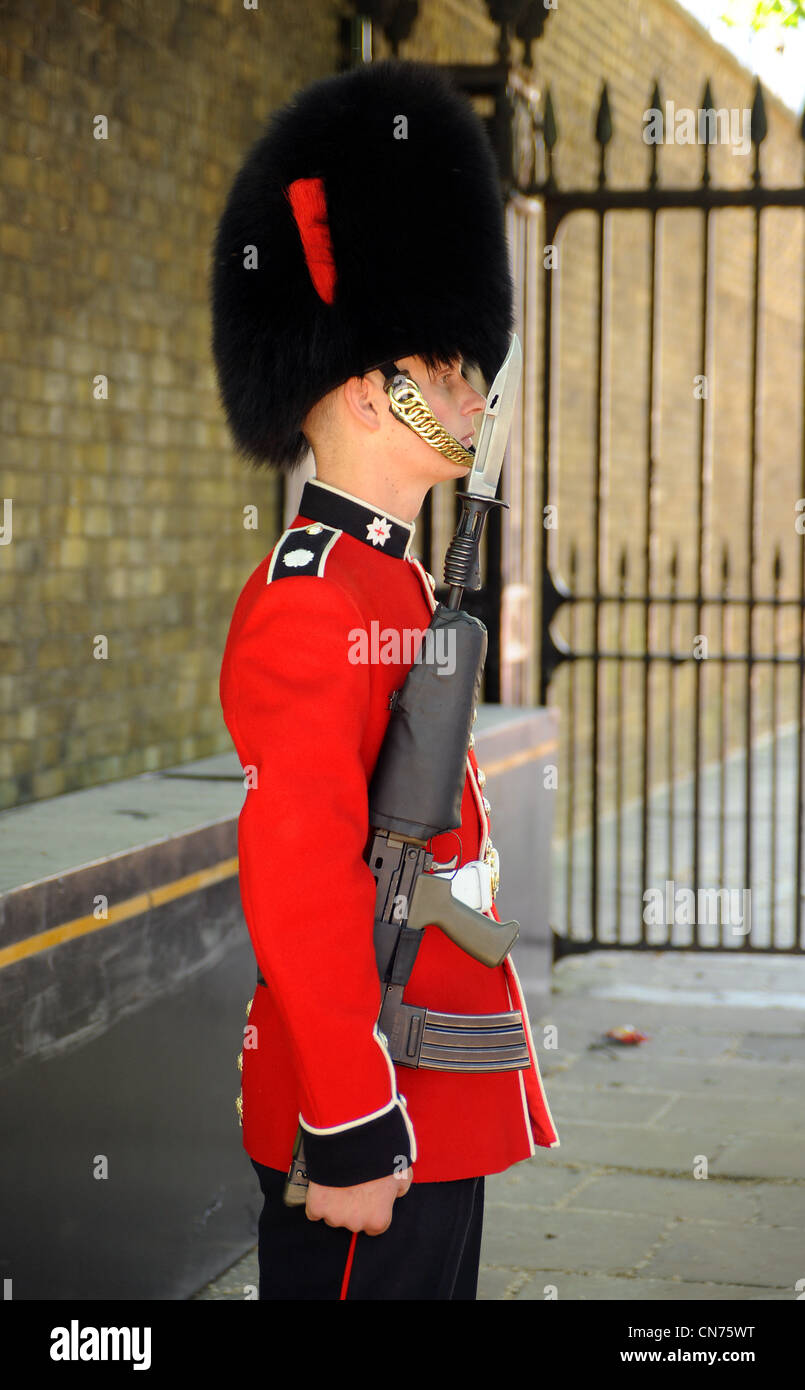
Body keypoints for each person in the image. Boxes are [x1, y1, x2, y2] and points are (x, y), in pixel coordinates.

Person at [211, 57, 559, 1301]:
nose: (471, 391)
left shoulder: (395, 579)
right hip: (369, 1110)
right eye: (447, 367)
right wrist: (350, 1118)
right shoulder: (314, 598)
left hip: (431, 1091)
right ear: (367, 387)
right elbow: (300, 872)